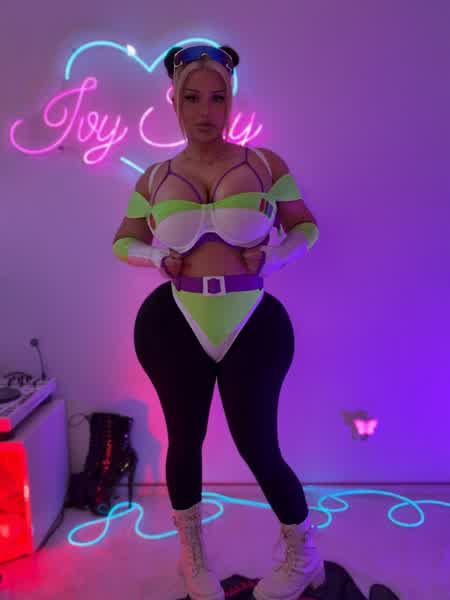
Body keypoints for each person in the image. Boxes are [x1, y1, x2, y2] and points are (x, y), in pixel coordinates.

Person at [112, 44, 324, 600]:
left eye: (217, 98)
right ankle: (192, 557)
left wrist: (277, 256)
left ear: (231, 101)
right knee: (184, 440)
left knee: (259, 446)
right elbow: (123, 240)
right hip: (174, 321)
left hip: (252, 319)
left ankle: (306, 557)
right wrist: (154, 256)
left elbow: (306, 227)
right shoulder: (154, 177)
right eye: (192, 98)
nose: (206, 111)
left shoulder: (266, 165)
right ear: (174, 102)